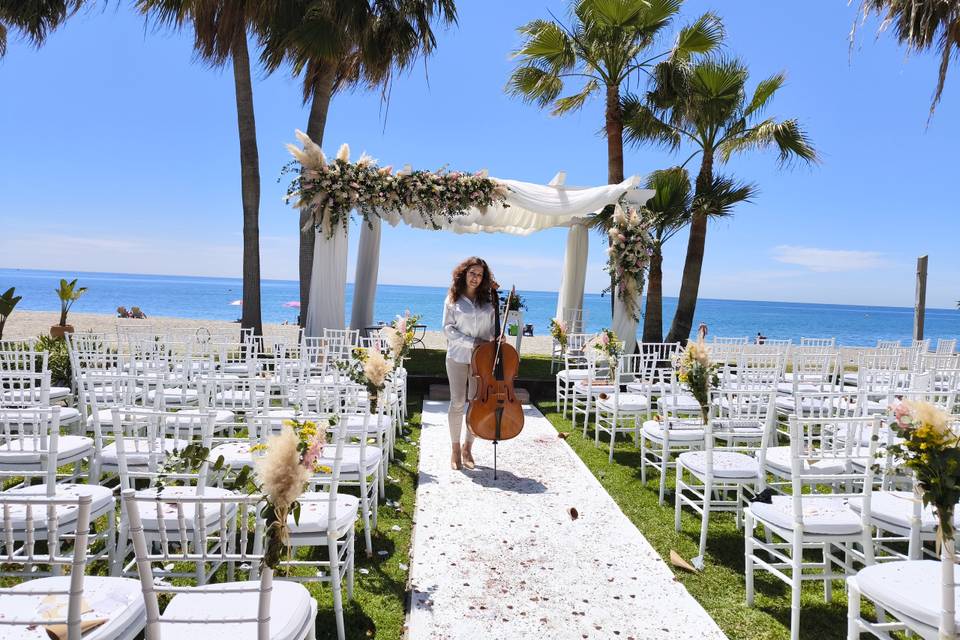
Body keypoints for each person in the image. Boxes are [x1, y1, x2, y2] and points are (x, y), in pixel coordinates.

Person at [442, 257, 496, 470]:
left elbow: (491, 330)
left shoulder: (488, 302)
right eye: (472, 273)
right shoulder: (452, 299)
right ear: (464, 273)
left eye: (480, 274)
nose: (475, 278)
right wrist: (473, 342)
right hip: (456, 356)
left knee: (475, 403)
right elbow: (447, 329)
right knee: (457, 402)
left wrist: (496, 338)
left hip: (480, 360)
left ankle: (467, 448)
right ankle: (455, 449)